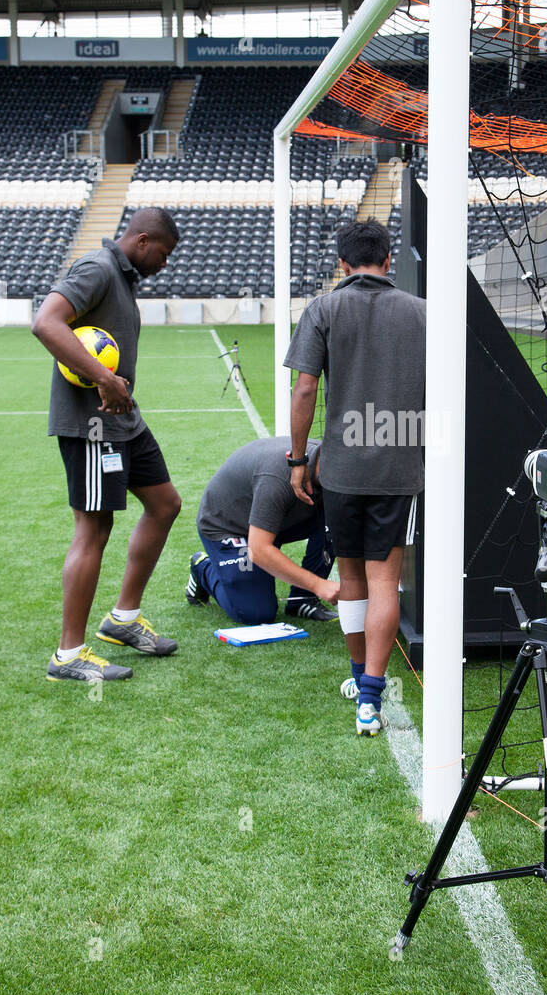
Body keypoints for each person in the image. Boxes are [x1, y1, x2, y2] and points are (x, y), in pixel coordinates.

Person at [284, 218, 426, 736]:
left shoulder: (323, 308)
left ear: (342, 265)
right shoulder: (423, 313)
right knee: (386, 582)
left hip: (341, 468)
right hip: (399, 465)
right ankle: (371, 694)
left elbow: (304, 392)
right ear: (388, 261)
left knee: (352, 580)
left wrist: (298, 459)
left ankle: (355, 677)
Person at [32, 208, 182, 683]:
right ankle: (68, 654)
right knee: (94, 530)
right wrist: (104, 378)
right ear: (141, 241)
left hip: (125, 421)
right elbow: (46, 323)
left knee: (164, 505)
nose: (165, 263)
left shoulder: (123, 277)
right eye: (164, 253)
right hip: (92, 424)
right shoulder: (96, 268)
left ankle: (121, 619)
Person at [186, 435, 339, 623]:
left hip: (276, 519)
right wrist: (318, 584)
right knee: (256, 612)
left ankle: (302, 599)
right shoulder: (277, 476)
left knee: (340, 517)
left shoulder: (333, 468)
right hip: (230, 526)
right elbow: (258, 550)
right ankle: (203, 568)